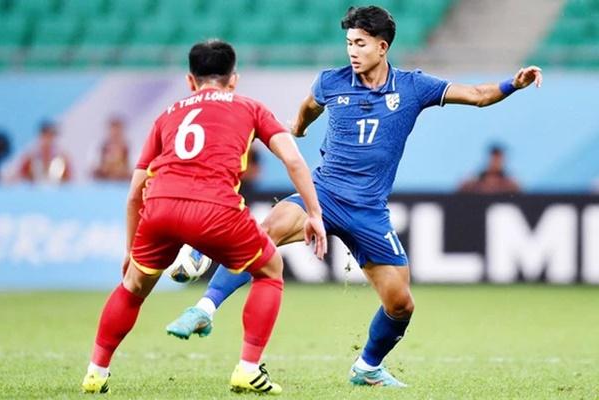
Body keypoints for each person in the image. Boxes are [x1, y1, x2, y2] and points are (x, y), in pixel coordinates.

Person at [166, 6, 543, 388]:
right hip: (324, 194)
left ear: (382, 47)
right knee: (266, 232)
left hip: (369, 211)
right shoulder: (331, 81)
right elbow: (309, 106)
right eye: (349, 43)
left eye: (360, 43)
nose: (352, 51)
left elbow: (477, 95)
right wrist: (299, 127)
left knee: (400, 304)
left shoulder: (413, 87)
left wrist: (513, 84)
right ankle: (204, 308)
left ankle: (367, 367)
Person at [81, 40, 327, 395]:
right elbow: (293, 160)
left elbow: (135, 192)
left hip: (160, 207)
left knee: (133, 287)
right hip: (215, 208)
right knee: (270, 270)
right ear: (234, 79)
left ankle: (95, 372)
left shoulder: (167, 115)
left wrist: (130, 249)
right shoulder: (250, 107)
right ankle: (248, 368)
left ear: (190, 80)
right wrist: (314, 213)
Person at [92, 117, 132, 181]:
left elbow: (134, 171)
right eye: (113, 131)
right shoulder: (99, 148)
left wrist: (120, 171)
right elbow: (92, 170)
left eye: (117, 132)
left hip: (123, 184)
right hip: (103, 184)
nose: (115, 134)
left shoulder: (129, 149)